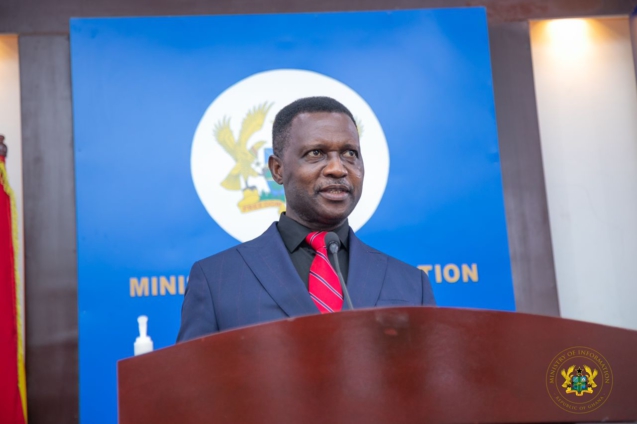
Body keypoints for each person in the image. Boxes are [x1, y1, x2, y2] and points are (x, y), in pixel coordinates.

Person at [177, 96, 435, 341]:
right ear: (277, 170)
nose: (337, 168)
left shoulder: (412, 284)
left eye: (350, 153)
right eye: (316, 153)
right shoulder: (215, 280)